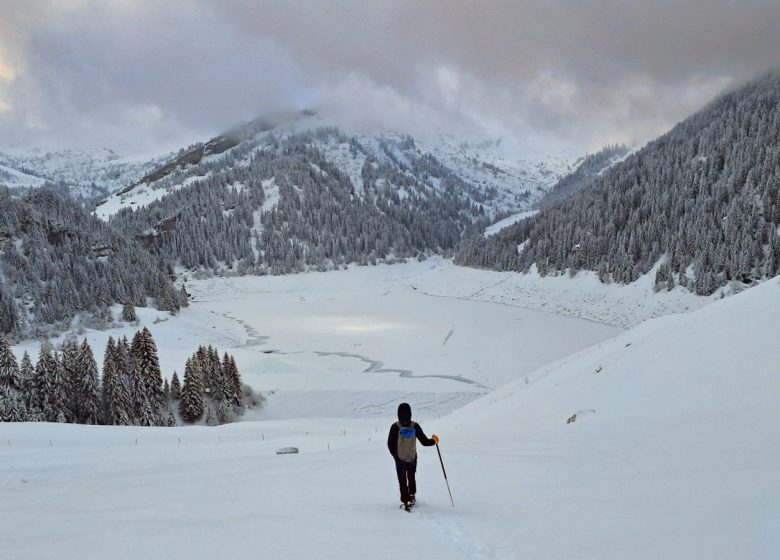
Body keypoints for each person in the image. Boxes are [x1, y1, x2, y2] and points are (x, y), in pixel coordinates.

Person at [387, 402, 439, 511]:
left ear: (398, 414)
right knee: (411, 477)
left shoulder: (395, 427)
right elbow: (424, 442)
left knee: (402, 481)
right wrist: (434, 441)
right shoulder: (414, 426)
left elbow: (390, 444)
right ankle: (412, 496)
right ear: (410, 413)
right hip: (412, 457)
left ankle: (406, 501)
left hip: (400, 459)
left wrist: (395, 456)